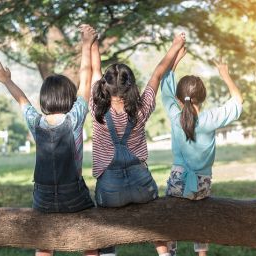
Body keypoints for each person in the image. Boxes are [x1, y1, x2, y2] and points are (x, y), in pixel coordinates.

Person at [0, 24, 99, 256]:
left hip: (42, 198)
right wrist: (86, 44)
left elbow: (21, 99)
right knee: (90, 239)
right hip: (74, 196)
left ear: (44, 99)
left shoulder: (36, 122)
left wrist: (6, 81)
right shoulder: (75, 117)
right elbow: (86, 77)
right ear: (69, 97)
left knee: (43, 244)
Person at [89, 32, 186, 256]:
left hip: (110, 191)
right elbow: (158, 73)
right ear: (130, 84)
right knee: (153, 219)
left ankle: (108, 253)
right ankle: (164, 253)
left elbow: (94, 71)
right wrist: (175, 45)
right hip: (142, 185)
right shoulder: (141, 109)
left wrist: (92, 42)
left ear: (105, 86)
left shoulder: (98, 111)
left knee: (105, 222)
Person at [161, 47, 243, 256]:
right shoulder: (210, 119)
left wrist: (175, 61)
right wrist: (225, 75)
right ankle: (202, 254)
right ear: (203, 97)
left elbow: (165, 88)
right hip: (202, 183)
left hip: (179, 179)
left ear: (180, 100)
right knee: (201, 217)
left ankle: (169, 253)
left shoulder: (174, 116)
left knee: (169, 218)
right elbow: (237, 102)